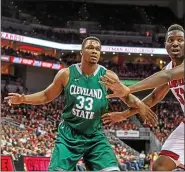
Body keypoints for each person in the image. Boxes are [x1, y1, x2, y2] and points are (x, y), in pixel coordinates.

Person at [5, 36, 156, 171]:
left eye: (97, 49)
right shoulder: (67, 74)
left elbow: (127, 96)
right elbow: (46, 96)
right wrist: (23, 98)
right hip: (69, 135)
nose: (94, 51)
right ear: (81, 52)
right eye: (90, 47)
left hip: (95, 136)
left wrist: (141, 105)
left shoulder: (108, 77)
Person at [100, 24, 184, 171]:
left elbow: (167, 76)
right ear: (165, 45)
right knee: (160, 166)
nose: (175, 43)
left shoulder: (170, 72)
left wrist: (128, 89)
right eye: (171, 40)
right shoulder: (169, 67)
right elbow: (154, 97)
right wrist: (125, 114)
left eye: (180, 40)